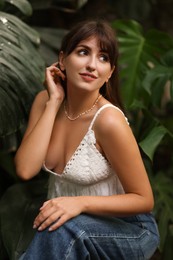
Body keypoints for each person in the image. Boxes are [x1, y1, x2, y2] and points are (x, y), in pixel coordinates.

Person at [15, 19, 160, 259]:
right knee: (60, 230)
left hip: (129, 230)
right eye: (83, 52)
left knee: (64, 230)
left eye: (103, 58)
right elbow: (25, 169)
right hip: (71, 226)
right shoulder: (45, 101)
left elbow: (144, 200)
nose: (92, 65)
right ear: (62, 59)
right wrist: (53, 103)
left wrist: (80, 203)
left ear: (110, 72)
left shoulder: (109, 121)